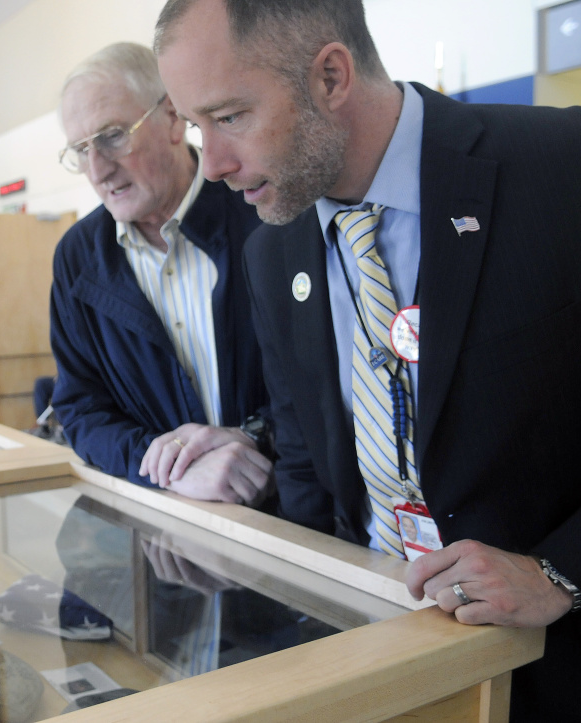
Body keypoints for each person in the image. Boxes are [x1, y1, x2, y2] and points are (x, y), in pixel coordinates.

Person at [154, 0, 581, 716]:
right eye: (197, 127)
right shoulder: (272, 251)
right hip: (388, 666)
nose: (214, 164)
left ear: (330, 76)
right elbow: (308, 473)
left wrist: (559, 572)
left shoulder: (559, 168)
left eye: (228, 117)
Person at [50, 42, 272, 507]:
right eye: (80, 150)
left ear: (172, 116)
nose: (97, 170)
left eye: (112, 136)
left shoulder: (262, 213)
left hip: (289, 517)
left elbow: (325, 378)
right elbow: (81, 409)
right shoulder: (77, 257)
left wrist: (252, 438)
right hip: (162, 529)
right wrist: (164, 467)